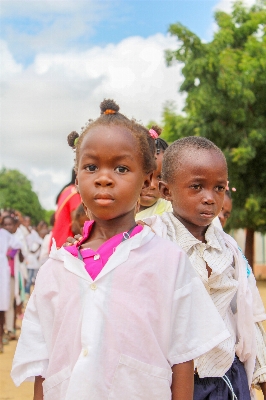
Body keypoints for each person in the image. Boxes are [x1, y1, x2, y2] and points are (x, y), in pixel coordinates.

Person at [11, 100, 229, 400]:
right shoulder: (55, 269)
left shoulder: (168, 260)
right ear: (77, 179)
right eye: (91, 167)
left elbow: (183, 355)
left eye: (121, 168)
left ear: (147, 181)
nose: (103, 177)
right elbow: (42, 367)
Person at [141, 136, 266, 399]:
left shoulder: (229, 250)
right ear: (166, 191)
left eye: (218, 188)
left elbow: (246, 316)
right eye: (197, 187)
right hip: (173, 384)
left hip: (229, 379)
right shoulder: (149, 241)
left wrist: (262, 377)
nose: (210, 198)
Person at [136, 125, 172, 220]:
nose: (152, 185)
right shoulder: (116, 209)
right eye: (146, 174)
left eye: (160, 177)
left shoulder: (169, 212)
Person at [0, 219, 21, 352]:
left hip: (2, 272)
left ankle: (0, 339)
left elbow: (17, 245)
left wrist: (9, 256)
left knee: (1, 308)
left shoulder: (4, 234)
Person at [50, 169, 81, 248]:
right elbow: (76, 224)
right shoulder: (75, 192)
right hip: (65, 246)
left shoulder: (67, 190)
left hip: (57, 244)